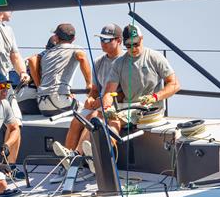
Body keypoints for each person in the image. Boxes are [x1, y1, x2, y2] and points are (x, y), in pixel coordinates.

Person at [53, 23, 124, 157]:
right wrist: (90, 98)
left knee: (92, 118)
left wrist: (100, 102)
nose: (103, 43)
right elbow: (95, 89)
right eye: (101, 39)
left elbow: (124, 93)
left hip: (115, 105)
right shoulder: (98, 61)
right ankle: (67, 162)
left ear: (119, 41)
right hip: (100, 104)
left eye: (107, 40)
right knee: (76, 120)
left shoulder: (124, 61)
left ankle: (78, 156)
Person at [99, 24, 180, 138]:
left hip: (151, 108)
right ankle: (78, 152)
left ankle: (105, 150)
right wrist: (107, 108)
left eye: (135, 44)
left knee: (113, 123)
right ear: (123, 44)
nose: (133, 48)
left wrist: (155, 97)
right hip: (126, 108)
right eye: (128, 45)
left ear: (141, 39)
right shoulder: (118, 63)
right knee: (97, 119)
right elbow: (108, 92)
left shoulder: (154, 57)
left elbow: (175, 84)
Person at [35, 23, 93, 117]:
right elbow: (82, 58)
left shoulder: (46, 54)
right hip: (59, 101)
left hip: (42, 105)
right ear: (73, 39)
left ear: (56, 37)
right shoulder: (76, 49)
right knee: (90, 112)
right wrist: (89, 84)